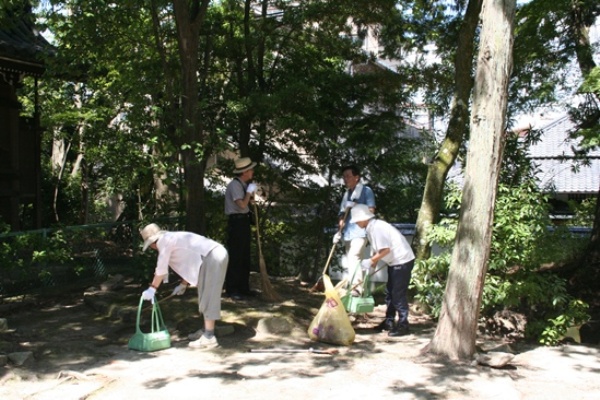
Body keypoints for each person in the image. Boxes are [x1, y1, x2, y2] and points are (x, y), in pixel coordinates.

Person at [140, 223, 229, 349]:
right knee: (204, 293)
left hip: (212, 256)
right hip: (212, 255)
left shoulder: (164, 242)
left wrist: (152, 288)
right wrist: (183, 283)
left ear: (152, 242)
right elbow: (191, 260)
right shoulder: (171, 238)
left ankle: (209, 337)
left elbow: (160, 269)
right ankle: (206, 330)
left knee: (208, 295)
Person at [350, 204, 415, 337]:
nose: (356, 223)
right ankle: (389, 322)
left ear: (363, 218)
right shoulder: (370, 228)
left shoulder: (378, 228)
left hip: (402, 261)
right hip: (394, 261)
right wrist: (371, 267)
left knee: (398, 294)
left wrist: (371, 261)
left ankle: (403, 325)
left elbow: (386, 250)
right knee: (389, 292)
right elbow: (377, 249)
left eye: (357, 220)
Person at [333, 165, 376, 292]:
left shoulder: (366, 191)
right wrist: (341, 222)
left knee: (354, 256)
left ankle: (356, 288)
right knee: (352, 259)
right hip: (348, 232)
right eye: (344, 176)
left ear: (356, 178)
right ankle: (354, 285)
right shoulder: (347, 194)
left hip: (361, 231)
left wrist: (356, 205)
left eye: (348, 176)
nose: (345, 179)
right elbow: (342, 213)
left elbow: (371, 210)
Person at [224, 157, 258, 300]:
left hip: (243, 222)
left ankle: (244, 287)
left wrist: (251, 194)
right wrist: (249, 193)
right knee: (236, 255)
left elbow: (248, 203)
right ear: (245, 172)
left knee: (244, 255)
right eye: (250, 169)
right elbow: (242, 205)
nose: (252, 171)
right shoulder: (235, 185)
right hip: (236, 222)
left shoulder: (243, 184)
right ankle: (232, 288)